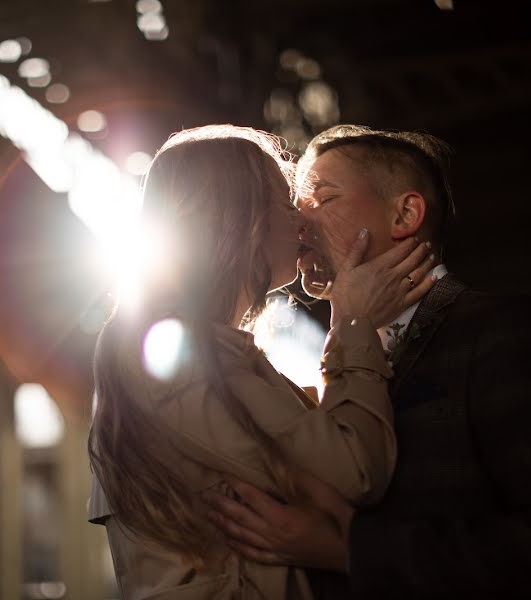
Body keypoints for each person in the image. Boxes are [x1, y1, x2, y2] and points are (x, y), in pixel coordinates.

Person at [202, 124, 531, 599]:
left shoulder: (502, 331)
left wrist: (351, 550)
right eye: (295, 204)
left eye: (322, 198)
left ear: (405, 214)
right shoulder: (331, 366)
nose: (298, 221)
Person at [86, 124, 436, 599]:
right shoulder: (167, 349)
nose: (300, 218)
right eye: (284, 198)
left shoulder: (185, 344)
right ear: (241, 216)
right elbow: (355, 471)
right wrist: (352, 325)